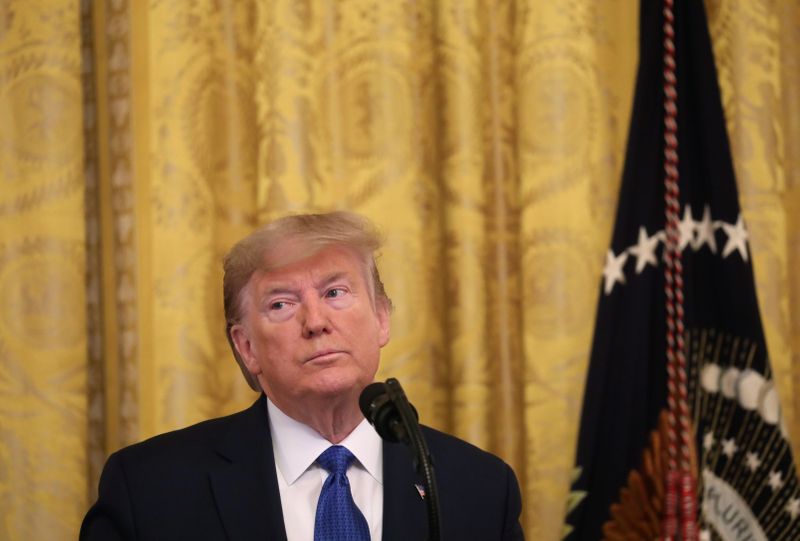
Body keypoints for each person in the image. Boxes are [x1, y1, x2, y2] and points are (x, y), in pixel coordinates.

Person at [80, 211, 524, 540]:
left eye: (335, 292)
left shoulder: (478, 487)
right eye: (281, 304)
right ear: (246, 347)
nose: (315, 322)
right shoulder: (150, 489)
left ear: (382, 319)